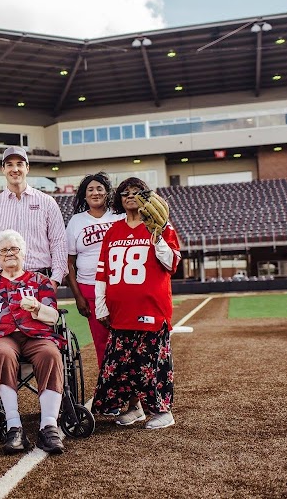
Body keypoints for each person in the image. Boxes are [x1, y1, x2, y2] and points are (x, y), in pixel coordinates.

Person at [0, 230, 66, 455]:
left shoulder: (39, 281)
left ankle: (49, 426)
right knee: (3, 354)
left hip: (36, 335)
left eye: (14, 249)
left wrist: (37, 307)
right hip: (1, 336)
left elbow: (54, 316)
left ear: (23, 253)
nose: (9, 254)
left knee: (51, 354)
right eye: (4, 250)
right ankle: (14, 425)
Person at [92, 178, 181, 430]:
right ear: (119, 199)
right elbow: (103, 272)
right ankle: (134, 408)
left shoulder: (162, 227)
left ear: (147, 196)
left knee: (151, 365)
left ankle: (163, 411)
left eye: (137, 192)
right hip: (121, 312)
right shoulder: (113, 231)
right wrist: (101, 305)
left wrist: (157, 235)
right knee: (123, 365)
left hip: (151, 310)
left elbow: (172, 264)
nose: (131, 196)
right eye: (125, 193)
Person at [0, 146, 67, 289]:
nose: (15, 169)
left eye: (20, 164)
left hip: (40, 279)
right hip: (2, 281)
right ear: (3, 169)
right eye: (9, 165)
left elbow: (59, 243)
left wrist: (55, 279)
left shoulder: (47, 202)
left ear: (27, 168)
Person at [64, 172, 122, 372]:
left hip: (120, 286)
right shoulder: (76, 222)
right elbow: (69, 262)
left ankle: (133, 398)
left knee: (127, 340)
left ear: (107, 193)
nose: (95, 192)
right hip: (90, 288)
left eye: (99, 188)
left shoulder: (119, 216)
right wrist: (78, 296)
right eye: (90, 189)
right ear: (84, 195)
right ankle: (110, 397)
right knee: (102, 344)